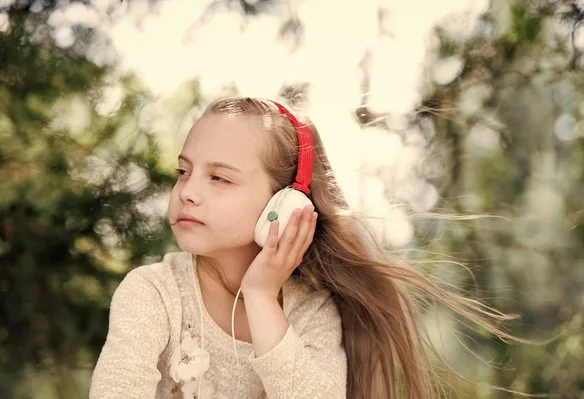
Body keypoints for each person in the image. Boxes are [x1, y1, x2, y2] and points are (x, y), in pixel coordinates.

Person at [89, 97, 518, 399]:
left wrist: (260, 297)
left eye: (219, 178)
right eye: (184, 172)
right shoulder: (152, 293)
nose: (188, 192)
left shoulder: (309, 311)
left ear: (285, 205)